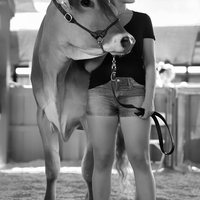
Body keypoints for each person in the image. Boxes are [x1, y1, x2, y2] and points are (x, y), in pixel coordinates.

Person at [85, 0, 157, 199]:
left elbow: (150, 63)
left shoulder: (143, 20)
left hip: (135, 91)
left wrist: (149, 98)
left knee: (139, 158)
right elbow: (88, 67)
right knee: (102, 159)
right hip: (99, 92)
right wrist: (108, 45)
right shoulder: (94, 19)